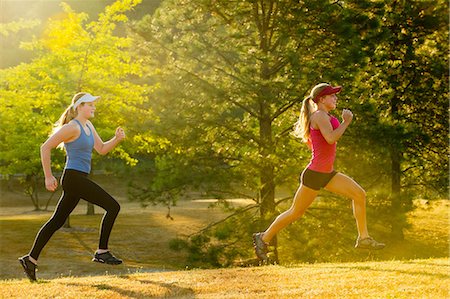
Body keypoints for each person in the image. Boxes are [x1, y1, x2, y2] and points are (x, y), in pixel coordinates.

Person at [253, 83, 385, 262]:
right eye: (332, 96)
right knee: (295, 212)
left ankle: (363, 238)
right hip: (314, 175)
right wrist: (346, 122)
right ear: (321, 99)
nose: (335, 98)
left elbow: (318, 143)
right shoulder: (320, 116)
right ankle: (264, 238)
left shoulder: (323, 116)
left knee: (359, 194)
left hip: (327, 173)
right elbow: (331, 138)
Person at [19, 92, 125, 281]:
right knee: (113, 206)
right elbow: (45, 147)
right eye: (90, 104)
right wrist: (48, 176)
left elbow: (101, 149)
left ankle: (30, 259)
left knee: (57, 221)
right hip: (73, 178)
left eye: (94, 104)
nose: (94, 107)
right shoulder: (72, 127)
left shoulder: (88, 125)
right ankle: (102, 251)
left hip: (78, 178)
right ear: (79, 106)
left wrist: (116, 139)